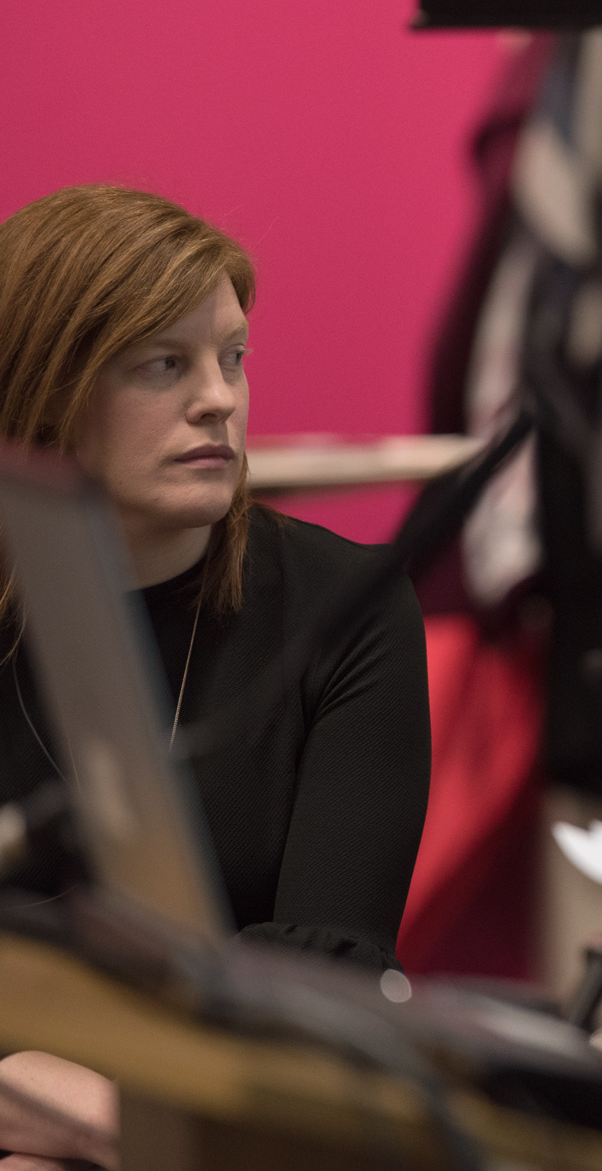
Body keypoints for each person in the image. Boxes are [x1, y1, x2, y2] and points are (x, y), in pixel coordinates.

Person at [0, 186, 431, 1163]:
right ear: (47, 386)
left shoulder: (346, 605)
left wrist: (98, 1118)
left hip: (250, 1116)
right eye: (165, 363)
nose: (220, 398)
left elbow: (328, 968)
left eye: (232, 356)